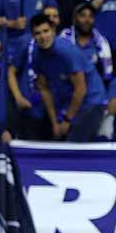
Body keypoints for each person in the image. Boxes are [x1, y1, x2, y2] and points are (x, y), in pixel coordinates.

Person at [29, 13, 107, 141]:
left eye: (46, 31)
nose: (43, 37)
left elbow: (81, 90)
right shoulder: (36, 54)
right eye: (38, 33)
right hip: (66, 102)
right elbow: (44, 89)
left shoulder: (67, 52)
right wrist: (54, 122)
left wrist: (67, 120)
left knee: (74, 142)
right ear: (33, 36)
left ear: (53, 31)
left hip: (91, 100)